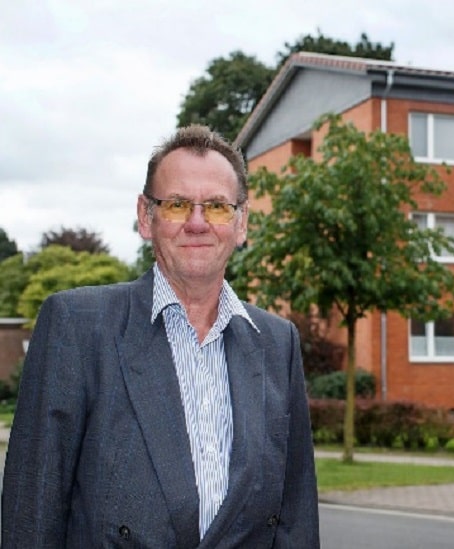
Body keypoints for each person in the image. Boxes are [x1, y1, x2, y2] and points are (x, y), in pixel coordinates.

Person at [1, 125, 320, 548]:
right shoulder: (76, 327)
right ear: (145, 217)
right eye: (177, 204)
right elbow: (31, 515)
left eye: (218, 207)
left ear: (241, 223)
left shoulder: (277, 343)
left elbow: (295, 518)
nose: (197, 223)